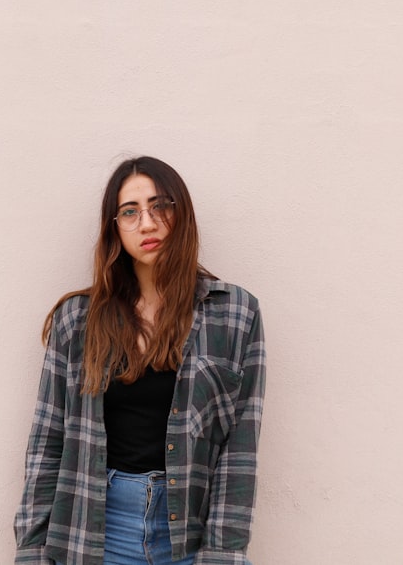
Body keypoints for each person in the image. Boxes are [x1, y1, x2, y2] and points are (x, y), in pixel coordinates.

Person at [14, 156, 266, 565]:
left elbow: (239, 450)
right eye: (129, 212)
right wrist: (31, 549)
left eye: (159, 206)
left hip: (190, 537)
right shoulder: (77, 320)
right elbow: (47, 442)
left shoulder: (235, 313)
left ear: (180, 212)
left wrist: (224, 552)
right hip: (95, 531)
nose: (146, 223)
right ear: (115, 228)